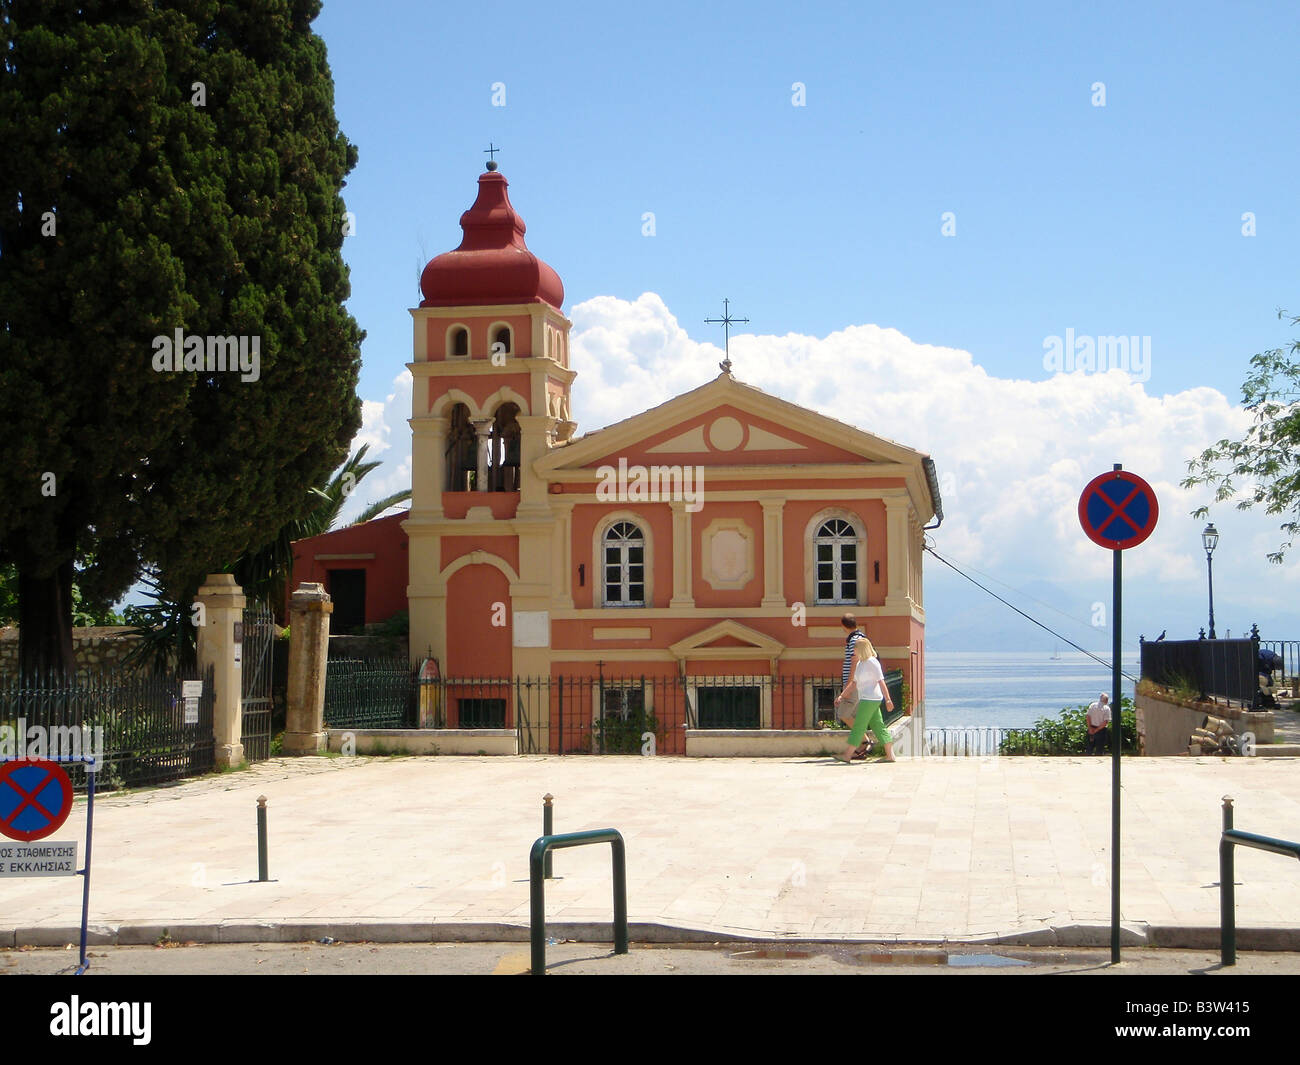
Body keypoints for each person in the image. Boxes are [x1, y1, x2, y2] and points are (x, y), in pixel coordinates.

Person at [832, 636, 896, 763]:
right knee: (878, 726)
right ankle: (890, 755)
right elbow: (854, 683)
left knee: (859, 726)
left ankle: (847, 755)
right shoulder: (860, 663)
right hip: (868, 699)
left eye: (855, 647)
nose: (853, 649)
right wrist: (842, 696)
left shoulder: (872, 662)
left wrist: (888, 699)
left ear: (861, 649)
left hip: (870, 699)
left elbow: (881, 681)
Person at [838, 614, 872, 757]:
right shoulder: (861, 637)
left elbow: (854, 662)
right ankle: (861, 749)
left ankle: (865, 742)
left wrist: (848, 685)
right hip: (860, 684)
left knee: (843, 714)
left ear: (843, 626)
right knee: (853, 715)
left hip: (854, 684)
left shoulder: (854, 640)